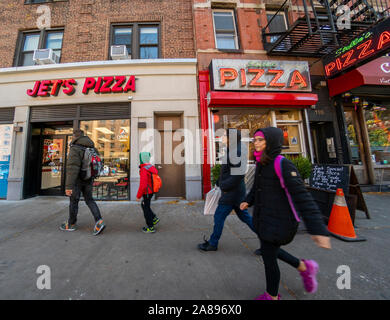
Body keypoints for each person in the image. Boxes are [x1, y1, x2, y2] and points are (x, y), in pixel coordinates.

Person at [240, 127, 331, 300]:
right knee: (271, 252)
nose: (256, 144)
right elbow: (257, 188)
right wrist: (248, 200)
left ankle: (272, 296)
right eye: (255, 140)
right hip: (264, 218)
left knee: (269, 257)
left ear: (271, 142)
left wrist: (318, 229)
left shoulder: (283, 164)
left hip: (281, 221)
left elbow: (303, 197)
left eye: (260, 140)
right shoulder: (261, 162)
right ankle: (305, 267)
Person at [198, 128, 257, 251]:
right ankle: (266, 240)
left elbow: (239, 174)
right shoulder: (233, 149)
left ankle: (213, 244)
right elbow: (229, 171)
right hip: (235, 192)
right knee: (245, 217)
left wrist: (224, 186)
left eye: (225, 135)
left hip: (232, 193)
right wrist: (219, 181)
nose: (222, 137)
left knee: (219, 216)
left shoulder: (237, 151)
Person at [60, 129, 105, 236]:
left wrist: (68, 186)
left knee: (74, 201)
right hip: (89, 179)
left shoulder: (75, 148)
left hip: (77, 180)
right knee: (90, 200)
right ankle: (99, 221)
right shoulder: (92, 148)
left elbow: (72, 168)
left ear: (74, 137)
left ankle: (71, 224)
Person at [136, 152, 160, 234]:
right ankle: (153, 218)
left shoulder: (144, 169)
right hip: (151, 191)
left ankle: (150, 227)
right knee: (145, 206)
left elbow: (143, 184)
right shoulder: (150, 167)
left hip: (146, 192)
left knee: (145, 208)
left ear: (142, 159)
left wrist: (138, 196)